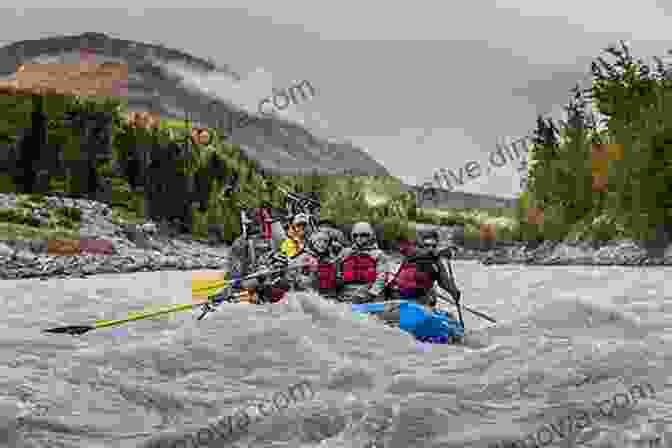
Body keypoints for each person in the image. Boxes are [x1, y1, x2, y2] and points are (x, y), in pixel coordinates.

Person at [376, 229, 462, 329]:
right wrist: (441, 253)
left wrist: (454, 292)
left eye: (433, 246)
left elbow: (445, 282)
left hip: (418, 301)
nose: (430, 248)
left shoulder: (437, 264)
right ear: (421, 245)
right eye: (427, 245)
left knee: (431, 294)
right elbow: (418, 253)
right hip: (396, 297)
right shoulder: (412, 253)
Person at [337, 222, 388, 303]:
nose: (359, 238)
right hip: (346, 292)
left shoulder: (378, 254)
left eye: (363, 235)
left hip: (367, 292)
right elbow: (337, 270)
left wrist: (371, 294)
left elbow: (382, 277)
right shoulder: (346, 252)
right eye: (356, 235)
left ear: (370, 236)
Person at [290, 231, 342, 299]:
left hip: (330, 297)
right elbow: (293, 278)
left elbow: (338, 280)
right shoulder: (303, 257)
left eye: (325, 241)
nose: (322, 244)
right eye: (319, 241)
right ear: (313, 243)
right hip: (309, 297)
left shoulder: (332, 260)